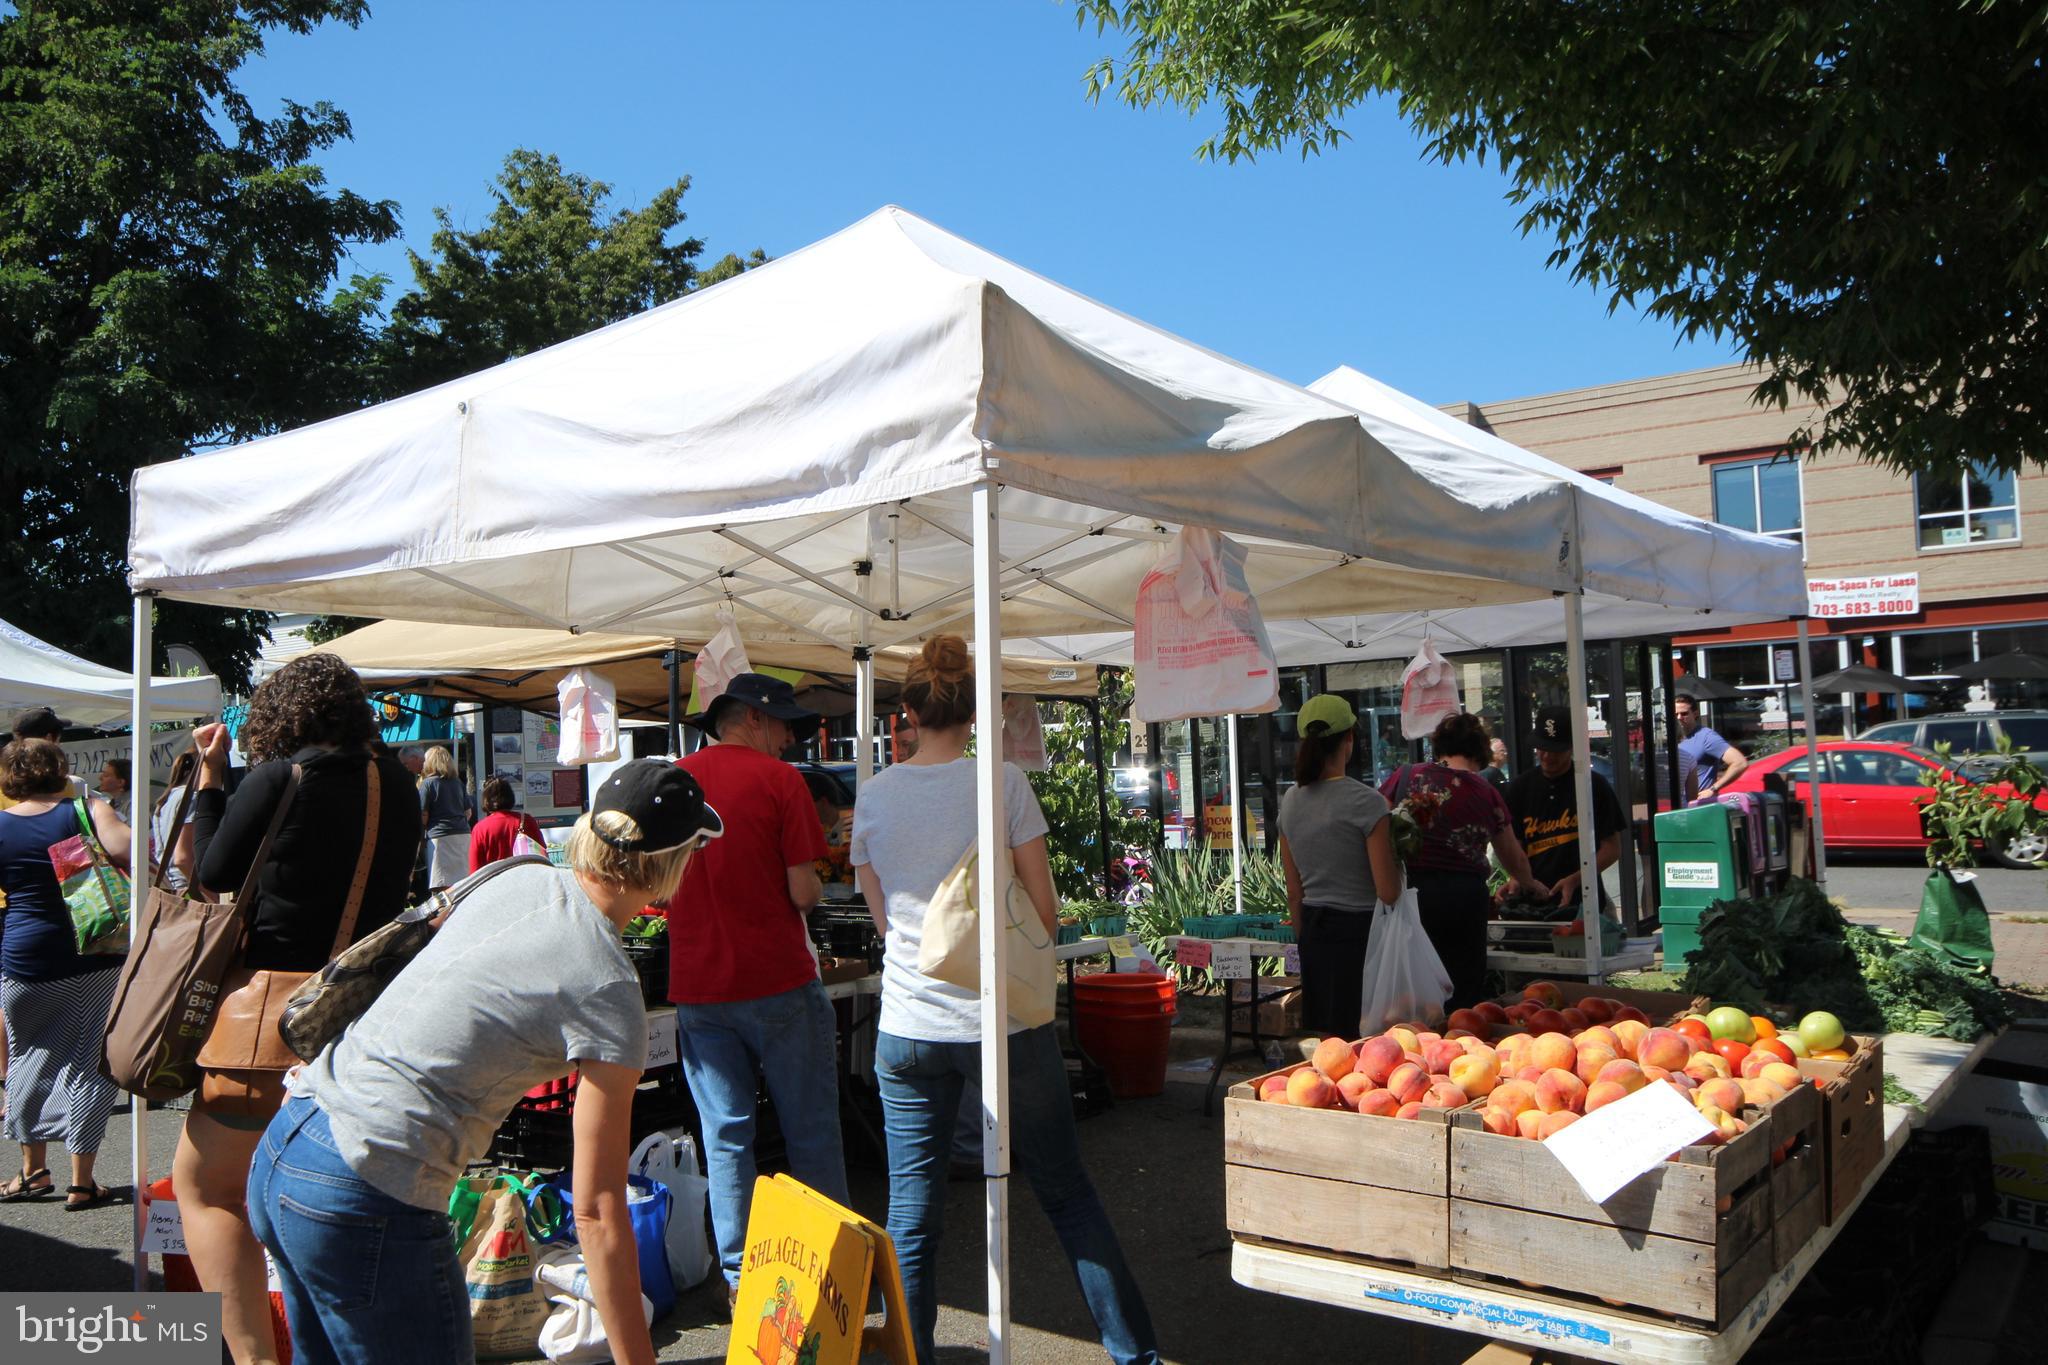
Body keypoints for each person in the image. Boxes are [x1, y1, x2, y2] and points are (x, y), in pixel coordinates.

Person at [251, 761, 719, 1365]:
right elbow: (599, 1208)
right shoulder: (607, 985)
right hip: (367, 1181)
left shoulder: (515, 877)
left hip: (291, 1143)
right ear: (672, 864)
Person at [851, 636, 1160, 1365]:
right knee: (1066, 1192)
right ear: (973, 712)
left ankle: (913, 1355)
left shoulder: (874, 793)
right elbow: (1044, 912)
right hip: (1003, 1017)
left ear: (907, 714)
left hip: (907, 1024)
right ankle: (1134, 1355)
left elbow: (885, 919)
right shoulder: (1002, 783)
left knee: (912, 1214)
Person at [182, 654, 420, 1365]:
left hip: (272, 1022)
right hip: (369, 1016)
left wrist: (212, 782)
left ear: (282, 712)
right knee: (334, 1192)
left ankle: (257, 1356)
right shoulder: (400, 786)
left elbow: (213, 874)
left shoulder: (278, 778)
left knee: (210, 1188)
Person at [669, 672, 847, 1303]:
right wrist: (816, 888)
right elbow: (803, 890)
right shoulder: (780, 782)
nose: (788, 738)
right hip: (777, 978)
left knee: (726, 1134)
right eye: (782, 725)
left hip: (699, 986)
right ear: (751, 719)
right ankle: (831, 1273)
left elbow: (658, 891)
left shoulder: (675, 781)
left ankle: (742, 1278)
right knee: (811, 1130)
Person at [0, 739, 129, 1209]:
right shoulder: (82, 811)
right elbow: (129, 850)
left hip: (26, 958)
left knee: (26, 1057)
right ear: (61, 770)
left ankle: (32, 1172)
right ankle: (82, 1181)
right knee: (91, 1061)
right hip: (95, 953)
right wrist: (92, 802)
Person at [1379, 713, 1548, 1011]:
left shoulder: (1406, 776)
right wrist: (1530, 883)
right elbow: (1512, 856)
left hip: (1412, 894)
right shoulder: (1486, 792)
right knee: (1461, 990)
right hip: (1464, 898)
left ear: (1439, 745)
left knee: (1413, 986)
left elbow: (1375, 824)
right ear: (1481, 750)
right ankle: (1458, 1043)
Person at [1276, 694, 1404, 1037]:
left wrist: (1307, 939)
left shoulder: (1290, 802)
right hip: (1363, 934)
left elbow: (1294, 891)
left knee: (1331, 1046)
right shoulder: (1368, 802)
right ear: (1350, 739)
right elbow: (1388, 892)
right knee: (1371, 1044)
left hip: (1316, 929)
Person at [1505, 706, 1626, 913]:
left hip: (1584, 902)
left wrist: (1576, 879)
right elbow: (1514, 847)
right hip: (1532, 902)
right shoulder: (1520, 787)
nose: (1547, 756)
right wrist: (1517, 878)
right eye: (1542, 748)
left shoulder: (1593, 785)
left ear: (1572, 747)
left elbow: (1612, 849)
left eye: (1556, 750)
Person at [1676, 693, 1749, 804]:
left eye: (1684, 714)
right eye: (1675, 714)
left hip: (1699, 808)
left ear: (1695, 714)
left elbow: (1740, 763)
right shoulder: (1673, 739)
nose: (1679, 718)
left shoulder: (1706, 737)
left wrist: (1713, 789)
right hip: (1676, 809)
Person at [418, 745, 472, 892]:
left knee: (441, 884)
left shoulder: (428, 784)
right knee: (463, 883)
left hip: (440, 837)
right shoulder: (457, 783)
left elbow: (423, 814)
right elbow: (468, 812)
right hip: (463, 835)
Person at [0, 708, 77, 811]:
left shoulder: (5, 774)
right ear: (49, 738)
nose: (59, 744)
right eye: (59, 739)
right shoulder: (59, 782)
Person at [469, 774, 547, 872]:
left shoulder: (480, 829)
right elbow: (542, 854)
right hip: (525, 880)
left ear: (486, 800)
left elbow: (475, 868)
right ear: (511, 796)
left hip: (493, 883)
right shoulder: (527, 821)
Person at [148, 749, 201, 894]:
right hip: (187, 886)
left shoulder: (165, 800)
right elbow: (182, 859)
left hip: (167, 885)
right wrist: (208, 893)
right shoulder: (191, 798)